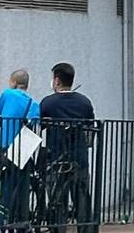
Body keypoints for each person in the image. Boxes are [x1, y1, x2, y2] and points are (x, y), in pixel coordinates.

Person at [38, 64, 95, 232]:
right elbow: (90, 126)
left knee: (57, 201)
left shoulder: (48, 103)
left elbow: (40, 124)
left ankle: (58, 229)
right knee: (82, 200)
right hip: (79, 157)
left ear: (56, 80)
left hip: (56, 157)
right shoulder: (84, 102)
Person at [0, 69, 40, 227]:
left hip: (5, 151)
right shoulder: (34, 104)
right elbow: (34, 125)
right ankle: (20, 224)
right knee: (21, 190)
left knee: (1, 192)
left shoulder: (7, 94)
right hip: (23, 152)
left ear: (13, 82)